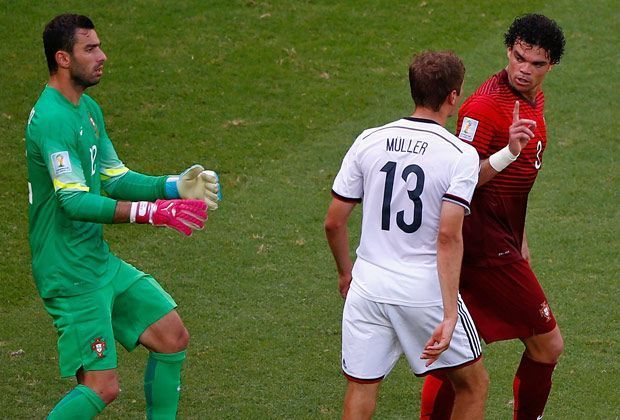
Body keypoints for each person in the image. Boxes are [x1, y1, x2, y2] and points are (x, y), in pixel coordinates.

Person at [25, 14, 220, 419]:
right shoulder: (51, 119)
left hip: (95, 261)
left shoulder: (88, 109)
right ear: (63, 58)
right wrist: (153, 213)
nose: (103, 56)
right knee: (102, 386)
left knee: (171, 336)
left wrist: (173, 187)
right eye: (90, 49)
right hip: (69, 273)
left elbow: (115, 177)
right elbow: (73, 202)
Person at [324, 51, 489, 420]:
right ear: (453, 96)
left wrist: (345, 273)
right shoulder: (459, 154)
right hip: (423, 292)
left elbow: (334, 222)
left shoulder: (369, 139)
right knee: (473, 384)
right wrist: (449, 315)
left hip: (367, 286)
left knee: (362, 386)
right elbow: (448, 236)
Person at [420, 14, 566, 420]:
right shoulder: (484, 107)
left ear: (550, 65)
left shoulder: (532, 99)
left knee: (461, 353)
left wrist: (520, 238)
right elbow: (457, 182)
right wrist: (509, 153)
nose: (524, 69)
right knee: (547, 345)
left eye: (536, 64)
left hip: (501, 241)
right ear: (508, 50)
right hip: (484, 249)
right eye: (519, 57)